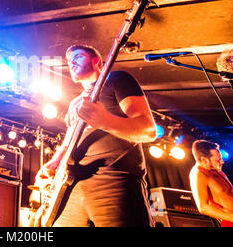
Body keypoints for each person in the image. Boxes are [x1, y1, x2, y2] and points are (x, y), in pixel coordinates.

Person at [34, 44, 157, 227]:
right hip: (72, 184)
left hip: (113, 180)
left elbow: (148, 130)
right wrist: (52, 165)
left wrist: (105, 120)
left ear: (96, 61)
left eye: (78, 57)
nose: (71, 62)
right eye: (69, 60)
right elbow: (68, 144)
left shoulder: (116, 80)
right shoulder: (75, 102)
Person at [189, 139, 233, 226]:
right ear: (204, 160)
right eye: (218, 159)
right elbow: (203, 207)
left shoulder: (215, 169)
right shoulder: (198, 174)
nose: (222, 162)